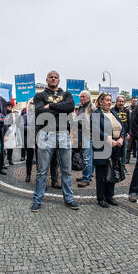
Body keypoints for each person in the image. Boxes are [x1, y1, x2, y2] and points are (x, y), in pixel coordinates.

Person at [30, 71, 79, 212]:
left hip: (63, 134)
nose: (53, 78)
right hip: (46, 134)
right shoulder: (40, 95)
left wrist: (50, 106)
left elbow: (70, 107)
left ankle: (69, 199)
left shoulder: (67, 95)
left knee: (66, 170)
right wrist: (59, 108)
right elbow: (40, 112)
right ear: (46, 79)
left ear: (59, 80)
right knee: (41, 171)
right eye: (51, 77)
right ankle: (37, 200)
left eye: (55, 77)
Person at [91, 93, 125, 208]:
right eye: (106, 100)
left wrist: (121, 138)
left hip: (115, 147)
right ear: (100, 102)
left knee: (112, 171)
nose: (109, 102)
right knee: (101, 174)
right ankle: (101, 198)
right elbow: (96, 130)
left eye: (110, 100)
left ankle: (110, 196)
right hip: (102, 146)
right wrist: (108, 139)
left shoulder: (113, 113)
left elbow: (122, 127)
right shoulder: (96, 114)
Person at [75, 90, 96, 187]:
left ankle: (86, 178)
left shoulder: (91, 107)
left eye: (83, 96)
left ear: (88, 97)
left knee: (87, 158)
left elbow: (95, 122)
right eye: (81, 97)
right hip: (81, 135)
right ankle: (87, 175)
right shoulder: (81, 107)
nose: (81, 98)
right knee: (85, 157)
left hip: (88, 135)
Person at [18, 100, 36, 182]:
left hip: (38, 140)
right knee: (29, 158)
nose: (33, 105)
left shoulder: (39, 114)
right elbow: (21, 127)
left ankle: (39, 178)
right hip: (29, 140)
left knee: (40, 160)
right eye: (31, 103)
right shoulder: (25, 115)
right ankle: (28, 175)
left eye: (34, 103)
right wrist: (31, 128)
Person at [112, 95, 130, 175]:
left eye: (122, 101)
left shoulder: (127, 111)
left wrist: (129, 133)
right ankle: (114, 168)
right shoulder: (112, 111)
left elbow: (130, 123)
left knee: (123, 153)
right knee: (114, 153)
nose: (121, 103)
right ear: (116, 102)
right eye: (119, 101)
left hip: (125, 136)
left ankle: (122, 168)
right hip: (115, 136)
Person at [126, 98, 138, 163]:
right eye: (133, 101)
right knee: (128, 146)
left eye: (135, 101)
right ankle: (127, 159)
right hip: (130, 129)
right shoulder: (127, 109)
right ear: (131, 101)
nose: (134, 102)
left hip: (137, 130)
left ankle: (137, 158)